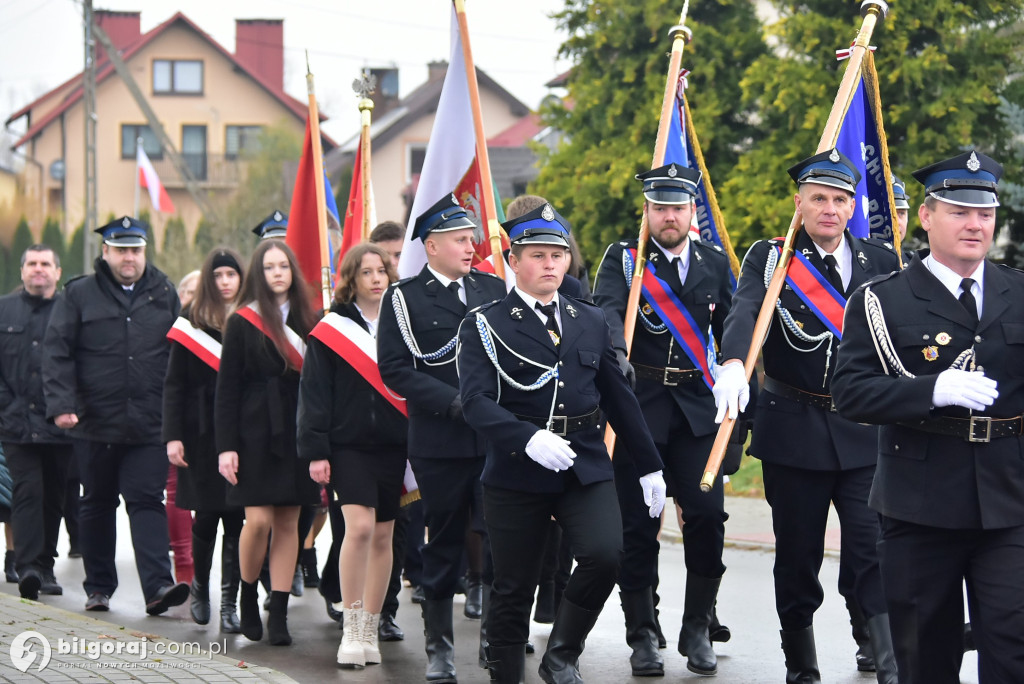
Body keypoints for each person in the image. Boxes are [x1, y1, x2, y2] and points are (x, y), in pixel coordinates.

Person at [832, 149, 1024, 684]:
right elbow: (850, 392)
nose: (974, 224)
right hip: (920, 503)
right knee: (925, 655)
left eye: (985, 213)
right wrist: (930, 390)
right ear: (926, 216)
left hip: (1010, 499)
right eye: (959, 211)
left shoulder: (1019, 291)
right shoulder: (883, 301)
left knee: (1013, 646)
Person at [456, 202, 667, 684]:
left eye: (558, 254)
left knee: (607, 553)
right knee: (513, 586)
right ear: (514, 261)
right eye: (538, 254)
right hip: (517, 467)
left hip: (584, 461)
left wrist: (650, 466)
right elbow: (476, 402)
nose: (550, 263)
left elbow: (620, 398)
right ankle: (506, 674)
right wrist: (526, 438)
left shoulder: (588, 319)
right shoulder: (485, 323)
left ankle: (561, 655)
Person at [713, 149, 900, 684]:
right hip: (794, 428)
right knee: (798, 559)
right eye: (819, 198)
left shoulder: (880, 261)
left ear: (852, 206)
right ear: (799, 204)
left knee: (871, 551)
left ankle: (886, 660)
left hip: (864, 432)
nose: (830, 209)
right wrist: (731, 362)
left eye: (841, 199)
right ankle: (802, 666)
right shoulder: (772, 260)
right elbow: (745, 310)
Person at [592, 162, 736, 676]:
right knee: (638, 525)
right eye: (659, 207)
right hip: (640, 411)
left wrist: (738, 412)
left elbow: (736, 333)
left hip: (699, 412)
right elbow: (606, 311)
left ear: (691, 210)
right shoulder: (623, 262)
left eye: (677, 207)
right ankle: (641, 631)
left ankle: (697, 626)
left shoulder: (716, 264)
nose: (668, 216)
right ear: (647, 211)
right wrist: (616, 348)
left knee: (705, 517)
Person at [377, 193, 507, 683]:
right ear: (431, 246)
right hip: (441, 441)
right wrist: (455, 403)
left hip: (495, 439)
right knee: (445, 542)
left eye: (471, 238)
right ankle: (440, 645)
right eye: (458, 239)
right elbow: (394, 369)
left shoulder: (493, 291)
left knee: (498, 538)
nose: (470, 246)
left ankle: (499, 636)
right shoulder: (404, 299)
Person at [43, 216, 188, 615]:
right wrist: (62, 405)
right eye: (121, 250)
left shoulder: (163, 291)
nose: (129, 257)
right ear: (105, 252)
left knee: (146, 501)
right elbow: (57, 352)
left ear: (145, 252)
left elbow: (178, 358)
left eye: (136, 250)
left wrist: (180, 417)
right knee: (98, 504)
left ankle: (158, 586)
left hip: (148, 423)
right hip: (94, 422)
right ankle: (99, 588)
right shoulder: (79, 295)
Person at [300, 243, 407, 668]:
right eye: (367, 272)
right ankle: (350, 626)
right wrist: (315, 449)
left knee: (384, 535)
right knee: (358, 528)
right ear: (351, 279)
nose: (377, 278)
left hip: (395, 444)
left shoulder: (403, 324)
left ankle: (370, 628)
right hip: (347, 446)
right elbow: (314, 394)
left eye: (382, 270)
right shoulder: (332, 329)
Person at [215, 239, 319, 646]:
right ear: (259, 274)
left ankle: (278, 611)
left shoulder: (311, 319)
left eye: (284, 266)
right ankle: (246, 592)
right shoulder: (242, 321)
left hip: (297, 429)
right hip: (253, 432)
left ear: (293, 271)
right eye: (270, 267)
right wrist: (227, 446)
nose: (278, 273)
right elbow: (226, 391)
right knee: (257, 521)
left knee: (288, 523)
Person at [163, 247, 245, 632]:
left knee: (237, 518)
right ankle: (200, 586)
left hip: (244, 434)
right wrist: (172, 437)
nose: (225, 282)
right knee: (207, 515)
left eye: (231, 275)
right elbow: (174, 385)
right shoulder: (190, 320)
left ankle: (230, 603)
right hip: (199, 434)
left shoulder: (251, 319)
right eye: (218, 276)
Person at [0, 244, 72, 600]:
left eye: (46, 263)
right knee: (27, 490)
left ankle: (45, 565)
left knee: (54, 496)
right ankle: (27, 566)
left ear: (58, 273)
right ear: (22, 270)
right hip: (15, 423)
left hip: (60, 421)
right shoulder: (3, 309)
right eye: (32, 263)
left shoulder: (70, 311)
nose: (38, 269)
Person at [165, 269, 200, 588]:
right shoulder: (174, 326)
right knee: (175, 492)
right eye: (189, 291)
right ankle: (185, 569)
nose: (194, 298)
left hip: (210, 426)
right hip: (178, 421)